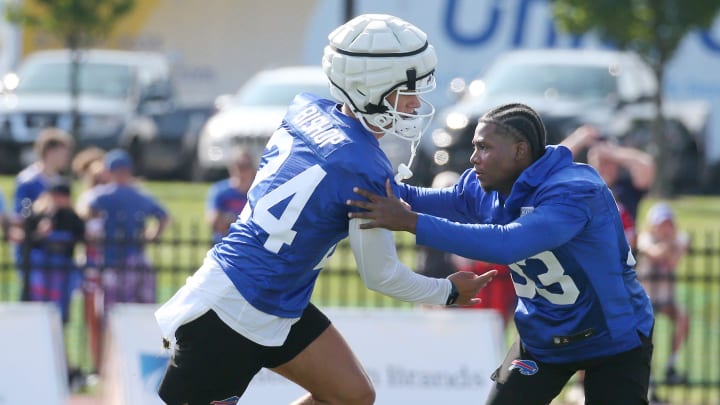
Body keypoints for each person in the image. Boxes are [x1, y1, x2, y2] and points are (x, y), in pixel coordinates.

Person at [154, 14, 496, 405]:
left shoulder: (308, 111)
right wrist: (447, 292)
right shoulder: (361, 165)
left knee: (351, 395)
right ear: (372, 87)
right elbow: (381, 274)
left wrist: (457, 200)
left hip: (277, 296)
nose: (417, 103)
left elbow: (370, 192)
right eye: (408, 90)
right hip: (232, 311)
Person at [347, 102, 655, 405]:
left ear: (520, 151)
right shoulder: (485, 188)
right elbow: (417, 198)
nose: (473, 158)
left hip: (611, 337)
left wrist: (409, 222)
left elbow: (509, 243)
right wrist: (360, 186)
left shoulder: (575, 190)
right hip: (544, 337)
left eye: (484, 148)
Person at [12, 176, 87, 390]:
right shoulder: (37, 215)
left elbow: (80, 240)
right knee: (35, 319)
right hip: (39, 278)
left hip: (60, 279)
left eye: (62, 196)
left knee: (58, 322)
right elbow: (26, 243)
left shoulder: (73, 219)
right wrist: (39, 233)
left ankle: (64, 370)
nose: (58, 200)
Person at [561, 124, 656, 250]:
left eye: (608, 161)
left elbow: (647, 165)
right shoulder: (579, 188)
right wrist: (579, 137)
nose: (603, 165)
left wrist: (611, 151)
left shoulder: (627, 189)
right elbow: (549, 166)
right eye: (599, 160)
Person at [12, 127, 74, 300]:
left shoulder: (61, 182)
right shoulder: (28, 180)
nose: (66, 158)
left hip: (58, 251)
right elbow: (19, 215)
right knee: (32, 296)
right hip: (34, 249)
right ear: (50, 151)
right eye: (63, 153)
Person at [636, 202, 689, 385]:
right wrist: (669, 245)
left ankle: (670, 366)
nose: (665, 228)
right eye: (661, 224)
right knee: (649, 336)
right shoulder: (644, 238)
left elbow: (673, 262)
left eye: (668, 224)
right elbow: (655, 254)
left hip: (666, 297)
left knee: (683, 318)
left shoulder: (679, 239)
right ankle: (648, 377)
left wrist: (670, 246)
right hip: (647, 298)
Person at [205, 147, 256, 245]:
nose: (242, 170)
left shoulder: (258, 193)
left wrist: (228, 219)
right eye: (239, 165)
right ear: (232, 167)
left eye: (246, 166)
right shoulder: (220, 190)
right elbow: (215, 222)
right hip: (223, 246)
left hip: (249, 248)